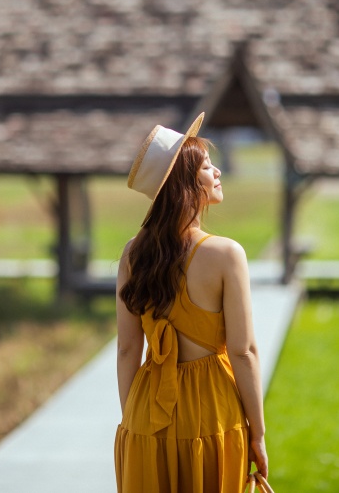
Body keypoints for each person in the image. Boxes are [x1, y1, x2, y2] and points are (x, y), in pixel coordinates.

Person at [114, 112, 269, 493]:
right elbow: (244, 351)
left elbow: (127, 349)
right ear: (185, 182)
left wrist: (134, 421)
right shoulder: (226, 254)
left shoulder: (132, 255)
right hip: (212, 412)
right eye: (206, 166)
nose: (217, 172)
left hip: (146, 413)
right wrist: (259, 434)